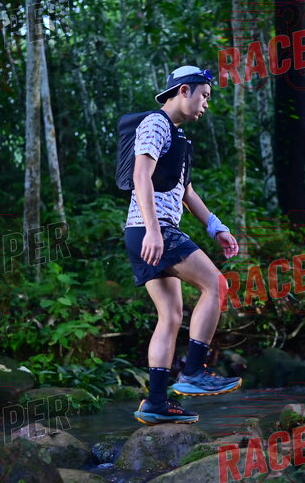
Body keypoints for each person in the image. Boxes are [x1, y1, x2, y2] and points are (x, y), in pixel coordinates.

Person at [124, 65, 241, 425]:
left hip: (145, 231)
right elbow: (140, 175)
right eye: (204, 96)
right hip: (153, 229)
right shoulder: (155, 123)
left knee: (171, 315)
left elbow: (186, 191)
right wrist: (154, 230)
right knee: (216, 284)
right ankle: (193, 372)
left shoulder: (177, 137)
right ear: (184, 91)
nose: (206, 104)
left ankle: (156, 402)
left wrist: (216, 227)